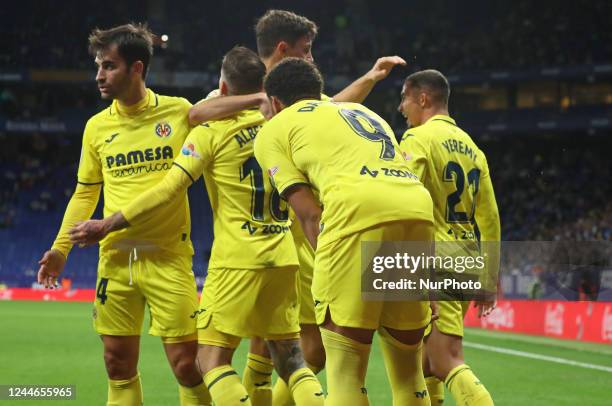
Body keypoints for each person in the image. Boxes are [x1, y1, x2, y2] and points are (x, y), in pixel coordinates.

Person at [70, 46, 324, 406]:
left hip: (237, 260)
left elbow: (169, 188)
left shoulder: (210, 132)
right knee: (292, 360)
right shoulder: (280, 127)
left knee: (210, 361)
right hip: (283, 256)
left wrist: (110, 222)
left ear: (221, 86)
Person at [187, 10, 406, 405]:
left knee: (284, 351)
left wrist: (370, 79)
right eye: (306, 51)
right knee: (288, 351)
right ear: (283, 49)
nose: (311, 59)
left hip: (281, 241)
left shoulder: (296, 95)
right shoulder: (235, 97)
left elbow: (334, 108)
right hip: (284, 234)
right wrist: (259, 100)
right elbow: (195, 113)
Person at [36, 24, 210, 406]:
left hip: (168, 257)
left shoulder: (179, 113)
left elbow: (217, 115)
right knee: (117, 365)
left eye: (109, 66)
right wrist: (60, 248)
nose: (99, 75)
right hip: (116, 259)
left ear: (137, 69)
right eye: (98, 66)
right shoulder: (96, 127)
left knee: (186, 365)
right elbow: (86, 193)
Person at [255, 58, 435, 406]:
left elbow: (309, 215)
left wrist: (330, 274)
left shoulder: (274, 129)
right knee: (409, 370)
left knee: (346, 368)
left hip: (355, 214)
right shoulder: (362, 113)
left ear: (275, 103)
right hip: (416, 209)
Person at [398, 69, 500, 405]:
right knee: (425, 362)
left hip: (434, 261)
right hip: (465, 259)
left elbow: (404, 203)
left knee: (445, 359)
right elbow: (490, 219)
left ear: (423, 99)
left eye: (405, 98)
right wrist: (488, 275)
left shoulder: (417, 139)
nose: (401, 107)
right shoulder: (474, 150)